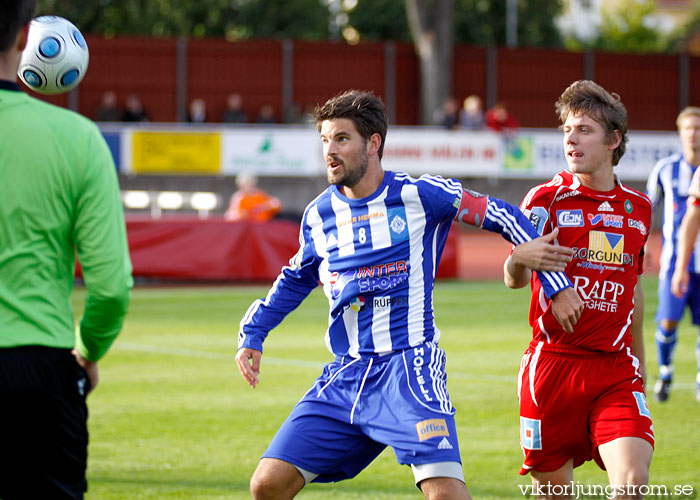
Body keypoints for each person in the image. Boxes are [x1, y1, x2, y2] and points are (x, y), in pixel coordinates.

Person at [235, 89, 581, 500]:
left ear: (373, 143)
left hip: (409, 369)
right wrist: (254, 333)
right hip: (347, 374)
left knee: (446, 495)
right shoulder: (318, 214)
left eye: (342, 139)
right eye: (325, 140)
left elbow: (506, 216)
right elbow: (296, 277)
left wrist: (558, 288)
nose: (329, 150)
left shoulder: (420, 195)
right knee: (266, 485)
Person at [0, 2, 133, 499]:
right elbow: (111, 287)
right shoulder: (77, 139)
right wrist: (89, 350)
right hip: (38, 370)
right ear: (24, 37)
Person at [504, 80, 653, 498]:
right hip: (552, 367)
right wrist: (521, 259)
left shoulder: (639, 209)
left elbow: (633, 292)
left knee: (632, 482)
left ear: (613, 140)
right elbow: (512, 278)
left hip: (615, 369)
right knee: (555, 494)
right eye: (567, 129)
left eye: (584, 129)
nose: (571, 138)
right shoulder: (545, 200)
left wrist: (639, 367)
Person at [646, 106, 700, 403]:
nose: (693, 134)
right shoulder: (666, 169)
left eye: (698, 128)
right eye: (688, 128)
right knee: (667, 321)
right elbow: (647, 209)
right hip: (673, 264)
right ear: (680, 133)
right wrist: (643, 245)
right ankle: (665, 373)